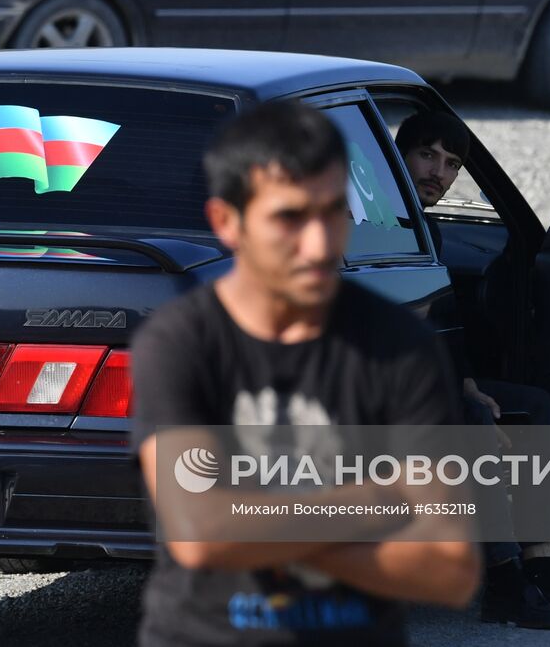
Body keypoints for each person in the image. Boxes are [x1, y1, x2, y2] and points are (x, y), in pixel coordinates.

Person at [130, 101, 481, 647]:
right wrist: (375, 503)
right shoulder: (181, 343)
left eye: (333, 212)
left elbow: (447, 570)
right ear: (227, 221)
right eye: (290, 217)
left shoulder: (401, 348)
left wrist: (248, 519)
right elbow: (199, 535)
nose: (318, 244)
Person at [394, 110, 550, 628]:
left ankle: (540, 566)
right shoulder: (378, 230)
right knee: (476, 424)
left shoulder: (423, 228)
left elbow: (442, 326)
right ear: (397, 156)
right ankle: (504, 582)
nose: (438, 172)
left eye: (451, 164)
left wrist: (469, 381)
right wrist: (463, 399)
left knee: (535, 404)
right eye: (426, 155)